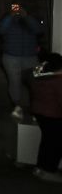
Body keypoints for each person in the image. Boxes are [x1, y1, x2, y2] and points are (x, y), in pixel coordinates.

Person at [0, 3, 44, 119]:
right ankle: (18, 107)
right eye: (14, 8)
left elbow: (39, 30)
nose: (17, 10)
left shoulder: (30, 19)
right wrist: (10, 16)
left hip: (30, 57)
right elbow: (0, 30)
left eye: (19, 8)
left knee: (35, 83)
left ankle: (35, 108)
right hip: (11, 57)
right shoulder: (7, 19)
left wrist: (26, 16)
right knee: (14, 82)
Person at [30, 53, 62, 183]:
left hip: (40, 113)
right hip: (53, 115)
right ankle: (49, 171)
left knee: (47, 141)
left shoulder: (39, 77)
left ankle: (40, 169)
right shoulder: (58, 80)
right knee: (55, 144)